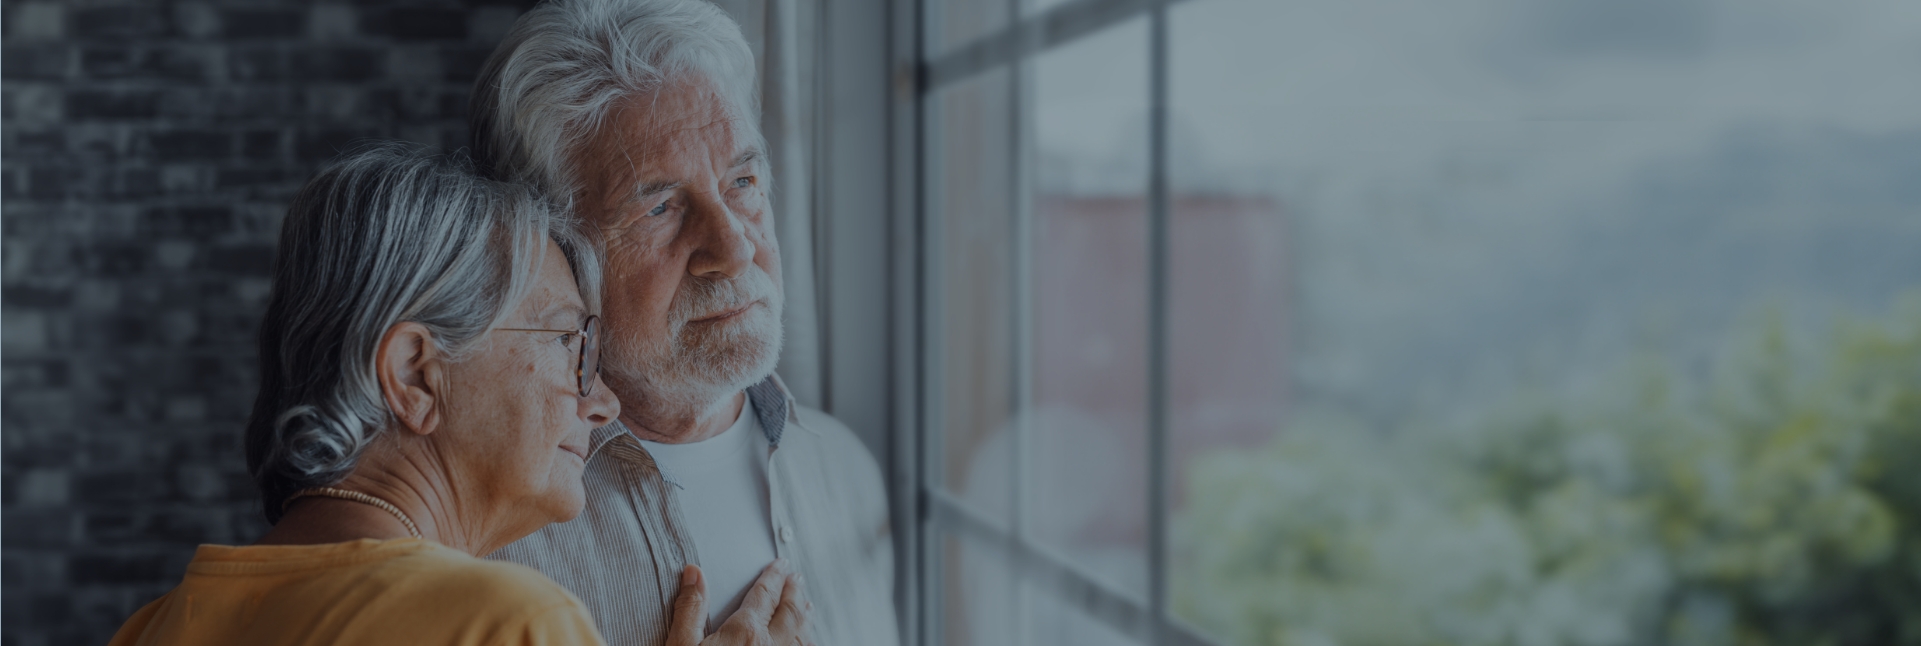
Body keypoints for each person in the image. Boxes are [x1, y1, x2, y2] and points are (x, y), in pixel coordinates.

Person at [106, 145, 811, 646]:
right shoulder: (507, 623)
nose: (603, 402)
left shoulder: (154, 627)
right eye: (573, 345)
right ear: (415, 374)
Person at [469, 1, 898, 645]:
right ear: (552, 253)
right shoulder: (482, 538)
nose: (734, 249)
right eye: (662, 207)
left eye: (743, 181)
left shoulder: (848, 472)